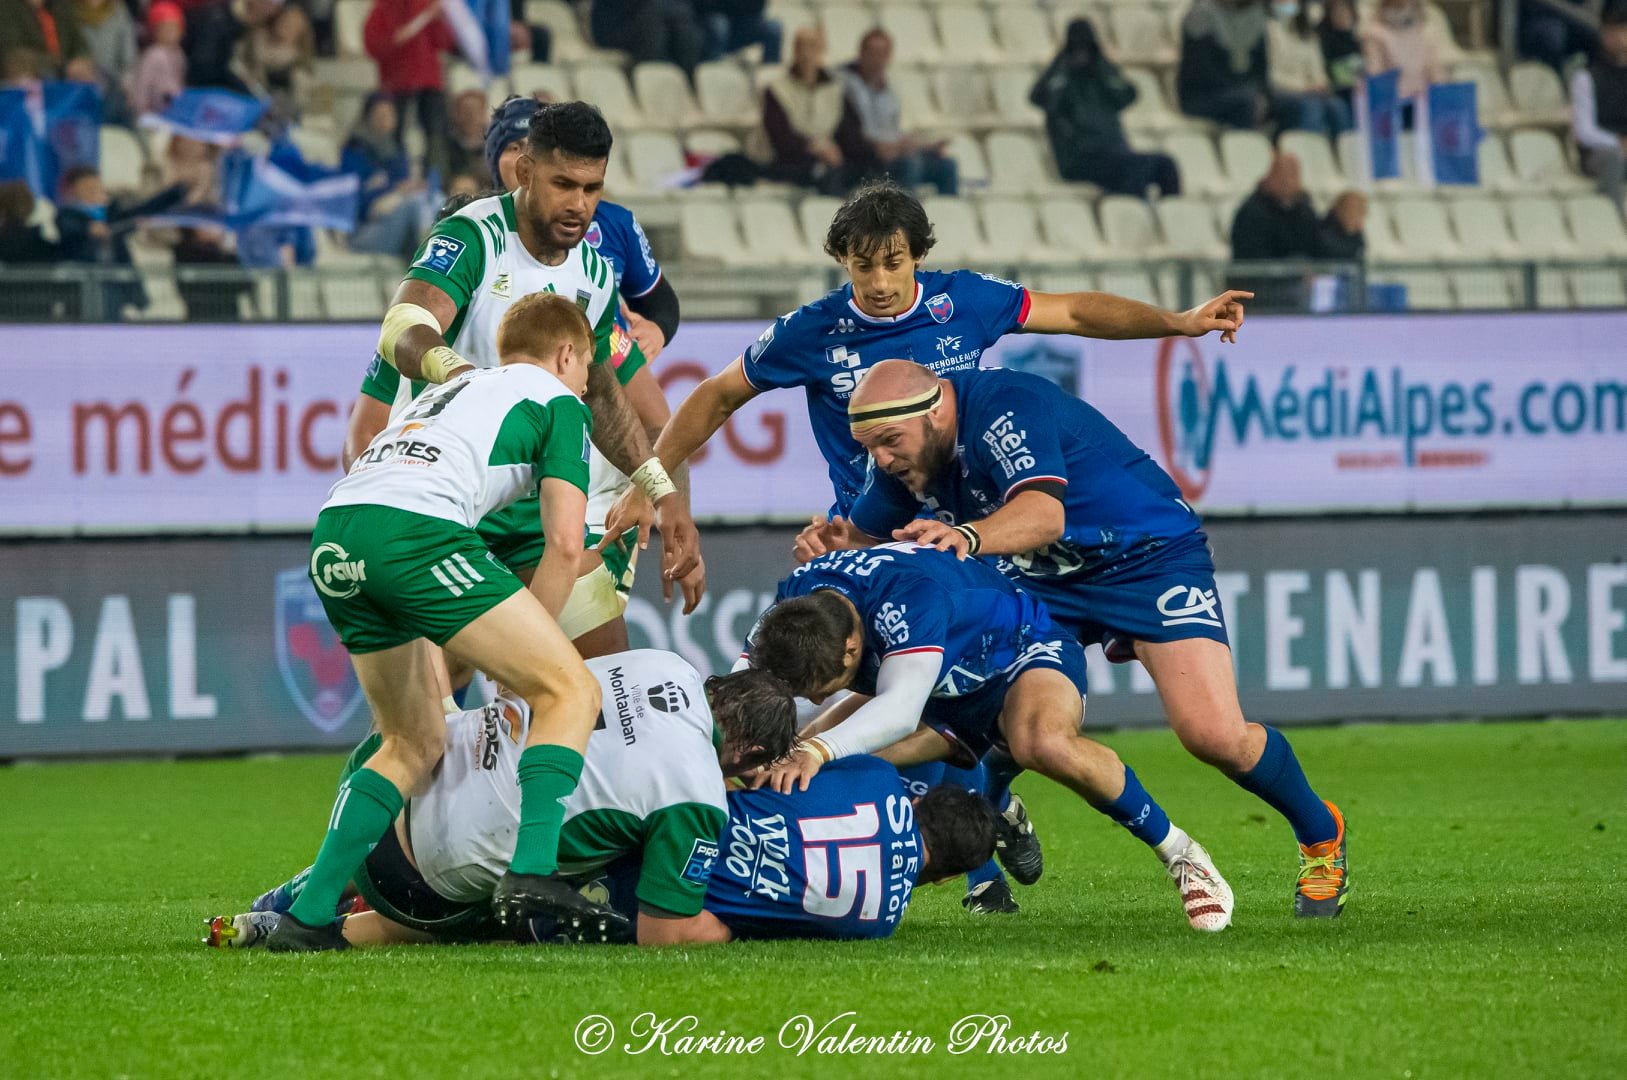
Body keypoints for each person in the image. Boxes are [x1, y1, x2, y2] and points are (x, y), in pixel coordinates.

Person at [803, 360, 1349, 920]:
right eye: (870, 449)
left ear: (936, 412)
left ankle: (1321, 834)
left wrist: (967, 535)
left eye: (890, 442)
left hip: (1145, 559)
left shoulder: (1002, 406)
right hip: (1035, 580)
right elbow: (872, 544)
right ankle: (991, 845)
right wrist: (838, 553)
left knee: (1216, 737)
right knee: (989, 713)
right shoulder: (903, 461)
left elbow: (1044, 515)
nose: (882, 460)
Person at [266, 292, 620, 952]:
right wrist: (535, 649)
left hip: (336, 533)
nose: (585, 382)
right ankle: (534, 874)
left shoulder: (460, 386)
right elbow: (564, 544)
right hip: (413, 533)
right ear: (569, 354)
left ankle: (308, 916)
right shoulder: (560, 401)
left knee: (411, 739)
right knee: (571, 690)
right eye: (586, 366)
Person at [636, 178, 1249, 526]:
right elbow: (717, 395)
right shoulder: (812, 331)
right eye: (862, 266)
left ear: (918, 255)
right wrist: (651, 480)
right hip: (872, 528)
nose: (878, 283)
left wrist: (1177, 321)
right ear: (842, 262)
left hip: (968, 521)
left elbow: (1075, 311)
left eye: (893, 263)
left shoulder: (967, 302)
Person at [344, 99, 693, 662]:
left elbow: (600, 389)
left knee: (601, 679)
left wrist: (658, 487)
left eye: (592, 188)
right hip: (449, 504)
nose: (579, 205)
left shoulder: (597, 275)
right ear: (525, 172)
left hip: (532, 513)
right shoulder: (474, 235)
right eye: (563, 184)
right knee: (434, 728)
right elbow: (405, 324)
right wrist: (458, 374)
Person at [745, 543, 1235, 932]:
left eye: (824, 688)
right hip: (934, 684)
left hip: (1017, 656)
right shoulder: (796, 605)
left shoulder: (907, 599)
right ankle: (997, 805)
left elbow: (897, 711)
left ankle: (1181, 853)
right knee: (790, 760)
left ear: (853, 648)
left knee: (1042, 743)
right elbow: (744, 687)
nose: (816, 698)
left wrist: (811, 747)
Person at [207, 655, 798, 949]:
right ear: (746, 751)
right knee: (487, 913)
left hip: (390, 778)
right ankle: (318, 932)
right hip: (417, 876)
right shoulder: (696, 795)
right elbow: (662, 933)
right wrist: (742, 928)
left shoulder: (662, 663)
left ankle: (287, 899)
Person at [1030, 17, 1180, 197]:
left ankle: (1164, 217)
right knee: (1131, 172)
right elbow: (1041, 99)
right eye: (1077, 49)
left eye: (1086, 48)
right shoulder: (1061, 77)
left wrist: (1101, 65)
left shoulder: (1101, 76)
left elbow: (1127, 95)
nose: (1082, 54)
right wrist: (1063, 67)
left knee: (1164, 166)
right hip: (1080, 159)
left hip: (1114, 153)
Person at [747, 26, 872, 196]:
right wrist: (817, 148)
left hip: (828, 160)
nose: (806, 53)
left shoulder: (835, 91)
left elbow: (849, 132)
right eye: (801, 47)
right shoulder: (776, 90)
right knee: (822, 172)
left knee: (868, 169)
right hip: (787, 162)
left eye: (812, 47)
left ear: (822, 51)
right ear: (794, 51)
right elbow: (782, 139)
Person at [1230, 152, 1364, 308]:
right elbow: (1253, 262)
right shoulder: (1252, 213)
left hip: (1295, 283)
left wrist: (1345, 229)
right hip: (1263, 290)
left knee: (1344, 283)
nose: (1291, 181)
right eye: (1286, 174)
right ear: (1272, 176)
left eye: (1295, 174)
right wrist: (1295, 270)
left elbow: (1320, 246)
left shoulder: (1302, 209)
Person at [842, 28, 956, 196]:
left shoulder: (890, 91)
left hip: (895, 152)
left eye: (882, 53)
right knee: (910, 164)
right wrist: (880, 147)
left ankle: (949, 218)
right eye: (872, 53)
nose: (877, 59)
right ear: (861, 53)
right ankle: (905, 220)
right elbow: (849, 133)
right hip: (867, 159)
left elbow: (895, 132)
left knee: (946, 165)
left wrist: (923, 146)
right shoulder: (847, 85)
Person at [363, 0, 453, 175]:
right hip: (398, 84)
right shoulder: (383, 9)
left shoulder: (427, 7)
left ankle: (437, 179)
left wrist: (437, 20)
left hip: (427, 82)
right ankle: (396, 177)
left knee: (435, 134)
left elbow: (444, 41)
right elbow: (374, 45)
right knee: (395, 135)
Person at [341, 91, 428, 258]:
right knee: (413, 206)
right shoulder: (353, 151)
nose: (384, 120)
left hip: (396, 221)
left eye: (389, 114)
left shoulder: (397, 152)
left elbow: (402, 188)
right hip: (363, 230)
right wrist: (392, 190)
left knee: (431, 200)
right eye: (379, 115)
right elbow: (353, 201)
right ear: (367, 118)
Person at [1177, 0, 1271, 130]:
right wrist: (1246, 91)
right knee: (1248, 103)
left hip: (1244, 91)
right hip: (1203, 97)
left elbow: (1261, 68)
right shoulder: (1200, 15)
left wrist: (1262, 93)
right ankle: (1242, 147)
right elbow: (1201, 71)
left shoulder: (1255, 15)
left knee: (1293, 105)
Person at [1572, 2, 1627, 212]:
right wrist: (1617, 143)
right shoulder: (1586, 77)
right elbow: (1583, 131)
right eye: (1615, 31)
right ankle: (1612, 217)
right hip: (1600, 151)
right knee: (1614, 158)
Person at [1268, 0, 1352, 136]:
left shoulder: (1308, 34)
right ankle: (1308, 152)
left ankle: (1344, 152)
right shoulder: (1269, 30)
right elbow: (1271, 76)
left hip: (1310, 90)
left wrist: (1321, 84)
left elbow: (1318, 71)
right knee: (1313, 106)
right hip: (1282, 90)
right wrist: (1304, 88)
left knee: (1337, 106)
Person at [1361, 0, 1446, 118]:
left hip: (1423, 100)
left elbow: (1435, 72)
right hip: (1392, 104)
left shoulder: (1427, 32)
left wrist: (1441, 98)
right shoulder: (1375, 33)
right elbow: (1375, 73)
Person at [588, 0, 703, 76]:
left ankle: (687, 77)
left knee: (682, 22)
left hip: (648, 27)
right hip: (612, 29)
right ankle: (651, 73)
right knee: (652, 19)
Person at [243, 2, 312, 119]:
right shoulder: (255, 45)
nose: (287, 28)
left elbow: (302, 99)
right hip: (251, 107)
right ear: (277, 21)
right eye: (285, 22)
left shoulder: (299, 63)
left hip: (286, 115)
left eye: (294, 26)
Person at [73, 0, 136, 122]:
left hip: (114, 84)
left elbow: (128, 55)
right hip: (80, 83)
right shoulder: (69, 11)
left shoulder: (118, 11)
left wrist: (127, 82)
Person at [0, 0, 90, 80]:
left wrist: (80, 59)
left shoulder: (60, 4)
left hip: (66, 84)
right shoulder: (5, 7)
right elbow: (12, 53)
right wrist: (64, 67)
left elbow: (79, 43)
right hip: (24, 86)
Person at [126, 0, 186, 116]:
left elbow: (179, 84)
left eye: (174, 28)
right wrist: (140, 112)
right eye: (164, 28)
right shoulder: (153, 55)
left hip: (171, 110)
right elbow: (141, 86)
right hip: (150, 113)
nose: (170, 33)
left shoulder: (179, 54)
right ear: (155, 31)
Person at [696, 0, 780, 65]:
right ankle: (712, 69)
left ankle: (768, 78)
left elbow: (757, 7)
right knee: (719, 25)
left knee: (774, 29)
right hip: (715, 22)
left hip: (742, 24)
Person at [1319, 0, 1363, 112]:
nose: (1343, 16)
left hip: (1358, 86)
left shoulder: (1356, 39)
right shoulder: (1324, 39)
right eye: (1337, 13)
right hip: (1338, 88)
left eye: (1346, 12)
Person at [446, 87, 492, 186]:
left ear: (484, 113)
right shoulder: (446, 146)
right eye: (466, 111)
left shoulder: (496, 146)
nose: (471, 116)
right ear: (457, 115)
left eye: (476, 111)